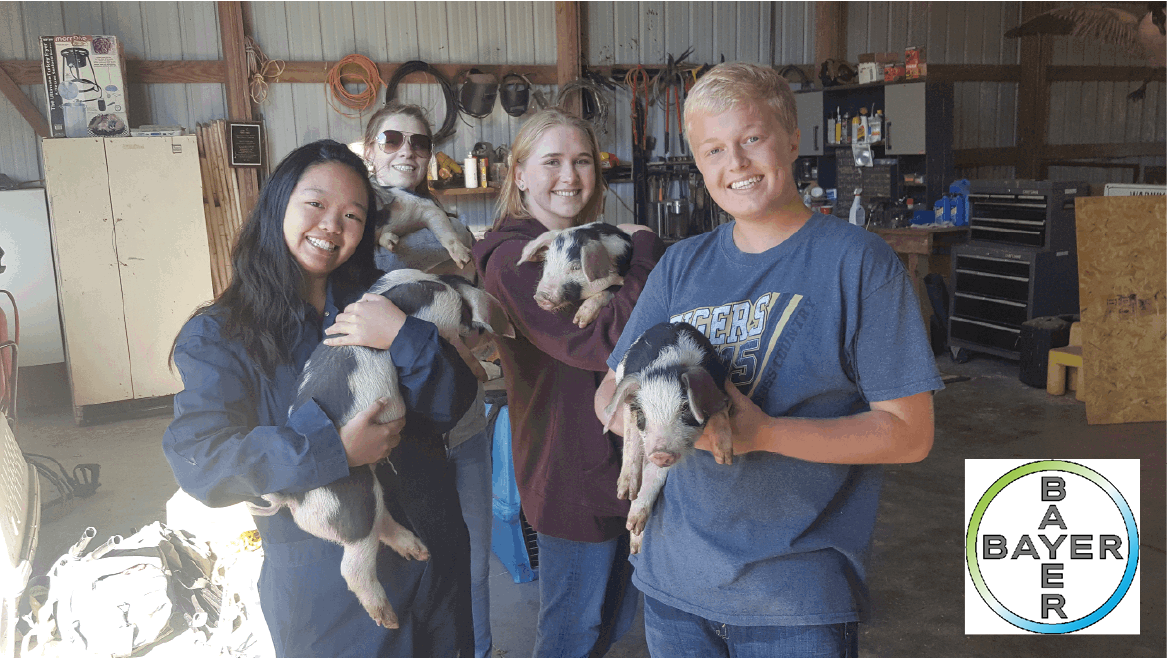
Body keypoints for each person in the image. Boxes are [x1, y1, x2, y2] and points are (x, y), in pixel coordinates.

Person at [594, 62, 942, 657]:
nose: (736, 163)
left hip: (795, 596)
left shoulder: (858, 264)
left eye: (751, 139)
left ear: (792, 137)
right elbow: (609, 393)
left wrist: (765, 433)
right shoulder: (681, 266)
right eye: (713, 149)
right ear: (700, 165)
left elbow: (909, 435)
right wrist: (666, 429)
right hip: (676, 586)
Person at [163, 139, 477, 658]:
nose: (332, 225)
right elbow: (202, 460)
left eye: (352, 215)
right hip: (327, 589)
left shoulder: (388, 295)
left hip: (431, 558)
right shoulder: (221, 334)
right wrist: (331, 449)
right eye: (316, 204)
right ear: (277, 205)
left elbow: (450, 406)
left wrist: (402, 334)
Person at [472, 108, 664, 658]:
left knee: (610, 619)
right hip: (570, 467)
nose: (569, 176)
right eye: (551, 161)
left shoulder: (596, 248)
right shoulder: (514, 258)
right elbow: (604, 342)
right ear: (520, 174)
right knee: (571, 633)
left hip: (623, 460)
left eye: (582, 161)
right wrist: (647, 245)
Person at [362, 102, 495, 658]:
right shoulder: (352, 228)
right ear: (368, 151)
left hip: (462, 424)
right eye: (391, 140)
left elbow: (479, 321)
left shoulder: (455, 231)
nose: (406, 152)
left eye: (419, 143)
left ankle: (478, 650)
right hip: (392, 438)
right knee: (408, 572)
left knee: (474, 566)